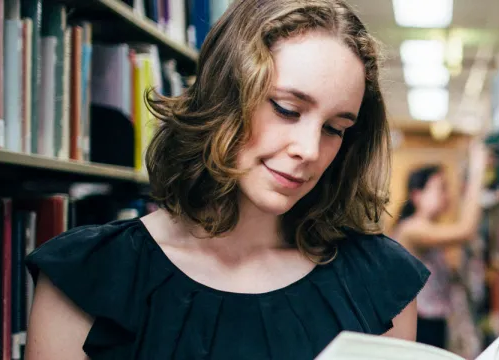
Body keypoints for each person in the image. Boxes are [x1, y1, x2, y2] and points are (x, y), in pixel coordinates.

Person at [23, 1, 429, 359]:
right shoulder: (88, 276)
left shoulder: (382, 283)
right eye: (287, 109)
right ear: (225, 96)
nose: (309, 149)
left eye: (335, 129)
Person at [390, 142, 487, 350]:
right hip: (423, 322)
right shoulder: (412, 229)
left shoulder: (427, 227)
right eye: (441, 188)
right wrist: (478, 170)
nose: (447, 196)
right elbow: (466, 231)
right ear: (417, 195)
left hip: (432, 319)